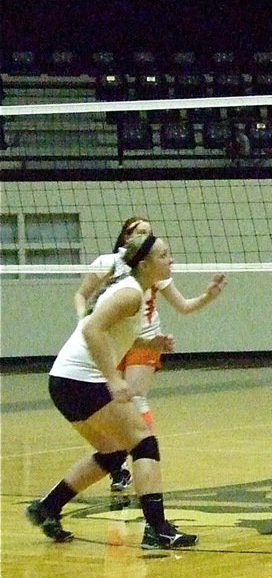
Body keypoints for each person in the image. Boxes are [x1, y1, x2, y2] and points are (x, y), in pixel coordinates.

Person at [27, 233, 198, 549]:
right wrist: (113, 378)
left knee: (113, 451)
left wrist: (150, 343)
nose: (170, 260)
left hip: (64, 382)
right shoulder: (130, 294)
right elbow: (91, 330)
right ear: (144, 264)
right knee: (144, 442)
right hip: (81, 381)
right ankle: (157, 529)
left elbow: (111, 334)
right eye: (164, 255)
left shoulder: (135, 291)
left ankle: (48, 507)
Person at [75, 217, 228, 491]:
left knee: (134, 397)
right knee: (112, 401)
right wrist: (83, 323)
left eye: (149, 233)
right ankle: (119, 460)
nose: (146, 236)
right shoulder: (108, 264)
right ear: (126, 237)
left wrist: (208, 296)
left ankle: (142, 453)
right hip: (114, 338)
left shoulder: (156, 271)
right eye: (139, 233)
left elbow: (184, 307)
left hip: (146, 340)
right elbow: (81, 295)